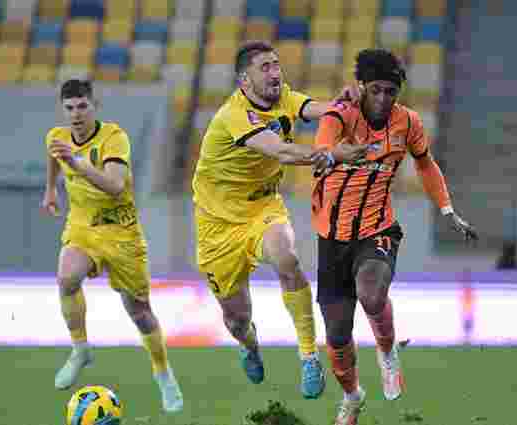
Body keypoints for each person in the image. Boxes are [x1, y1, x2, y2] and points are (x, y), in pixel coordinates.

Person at [190, 41, 368, 399]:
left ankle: (309, 356)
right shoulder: (233, 115)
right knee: (237, 319)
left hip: (263, 208)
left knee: (286, 257)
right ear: (245, 80)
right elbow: (283, 151)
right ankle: (250, 344)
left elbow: (319, 109)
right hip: (217, 225)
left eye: (276, 65)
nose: (275, 73)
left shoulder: (283, 96)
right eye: (265, 67)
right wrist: (333, 155)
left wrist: (347, 104)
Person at [312, 48, 478, 424]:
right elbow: (319, 154)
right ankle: (352, 396)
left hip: (378, 229)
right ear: (361, 87)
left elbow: (425, 163)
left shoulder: (408, 122)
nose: (384, 99)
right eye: (376, 90)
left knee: (372, 294)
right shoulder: (339, 115)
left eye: (391, 91)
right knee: (337, 335)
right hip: (332, 239)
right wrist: (338, 155)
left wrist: (447, 210)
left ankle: (387, 353)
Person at [41, 79, 183, 413]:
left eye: (82, 106)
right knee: (66, 278)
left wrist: (79, 164)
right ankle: (80, 349)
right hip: (83, 226)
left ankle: (163, 373)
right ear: (63, 110)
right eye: (69, 108)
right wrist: (50, 189)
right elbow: (54, 157)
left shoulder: (114, 138)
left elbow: (116, 186)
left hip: (121, 233)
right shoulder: (56, 137)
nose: (76, 114)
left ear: (95, 106)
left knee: (140, 312)